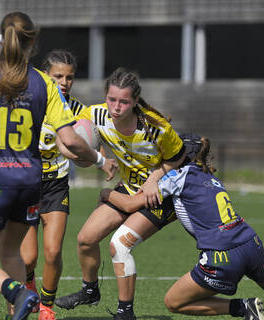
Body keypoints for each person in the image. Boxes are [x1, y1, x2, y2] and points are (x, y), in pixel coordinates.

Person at [0, 11, 117, 320]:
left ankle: (20, 292)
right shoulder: (43, 83)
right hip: (28, 185)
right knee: (13, 254)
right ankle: (19, 312)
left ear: (1, 38)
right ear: (33, 41)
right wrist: (101, 160)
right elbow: (73, 140)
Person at [100, 133, 264, 320]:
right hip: (251, 243)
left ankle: (241, 307)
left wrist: (106, 193)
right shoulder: (211, 177)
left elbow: (130, 205)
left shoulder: (177, 176)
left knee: (173, 302)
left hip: (223, 254)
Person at [55, 67, 187, 320]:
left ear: (135, 101)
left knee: (119, 245)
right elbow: (71, 134)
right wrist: (85, 154)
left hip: (160, 195)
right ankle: (90, 290)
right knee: (85, 239)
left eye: (124, 101)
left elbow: (179, 158)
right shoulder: (96, 114)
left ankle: (125, 313)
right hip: (128, 188)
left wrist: (154, 179)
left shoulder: (156, 127)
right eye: (112, 99)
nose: (116, 107)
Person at [19, 49, 87, 320]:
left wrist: (90, 154)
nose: (64, 81)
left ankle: (46, 306)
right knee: (28, 259)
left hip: (56, 186)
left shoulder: (80, 110)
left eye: (69, 77)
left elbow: (87, 144)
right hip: (26, 185)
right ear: (45, 75)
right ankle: (28, 291)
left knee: (54, 250)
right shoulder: (29, 102)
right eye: (58, 75)